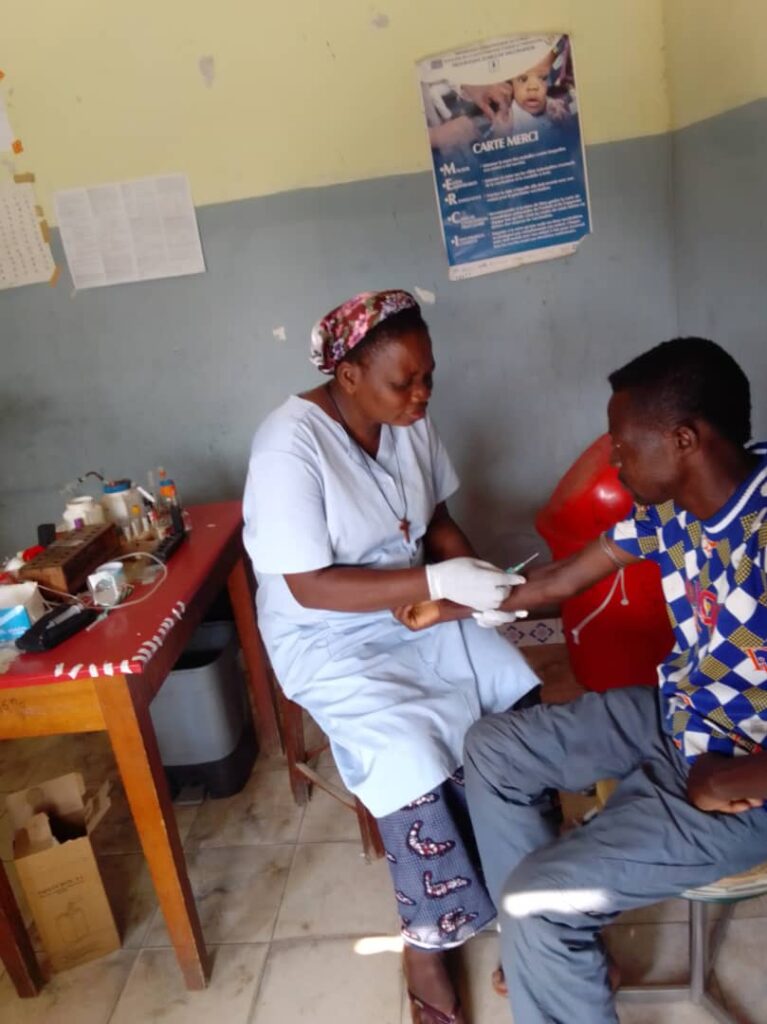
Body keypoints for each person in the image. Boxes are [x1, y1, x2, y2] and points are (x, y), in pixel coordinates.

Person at [402, 337, 767, 1023]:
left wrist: (737, 778)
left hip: (744, 777)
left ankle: (543, 929)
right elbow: (559, 581)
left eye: (622, 447)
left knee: (536, 900)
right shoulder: (671, 512)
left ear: (684, 439)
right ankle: (550, 951)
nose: (615, 462)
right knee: (494, 747)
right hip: (678, 717)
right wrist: (445, 601)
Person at [242, 289, 539, 1024]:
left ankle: (530, 901)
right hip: (327, 635)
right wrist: (437, 582)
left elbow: (436, 520)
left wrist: (477, 581)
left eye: (428, 377)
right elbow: (308, 586)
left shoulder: (410, 424)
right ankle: (428, 945)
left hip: (417, 611)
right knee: (408, 748)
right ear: (347, 375)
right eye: (404, 382)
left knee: (513, 687)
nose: (421, 395)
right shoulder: (288, 447)